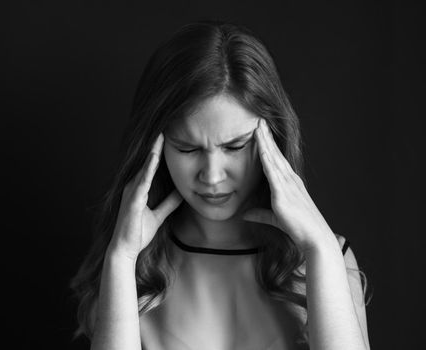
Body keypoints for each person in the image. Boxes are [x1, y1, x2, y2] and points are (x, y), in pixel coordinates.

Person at [70, 19, 371, 350]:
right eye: (188, 148)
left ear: (274, 139)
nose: (212, 176)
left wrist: (320, 249)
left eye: (235, 147)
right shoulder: (129, 263)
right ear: (155, 145)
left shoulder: (328, 256)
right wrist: (122, 258)